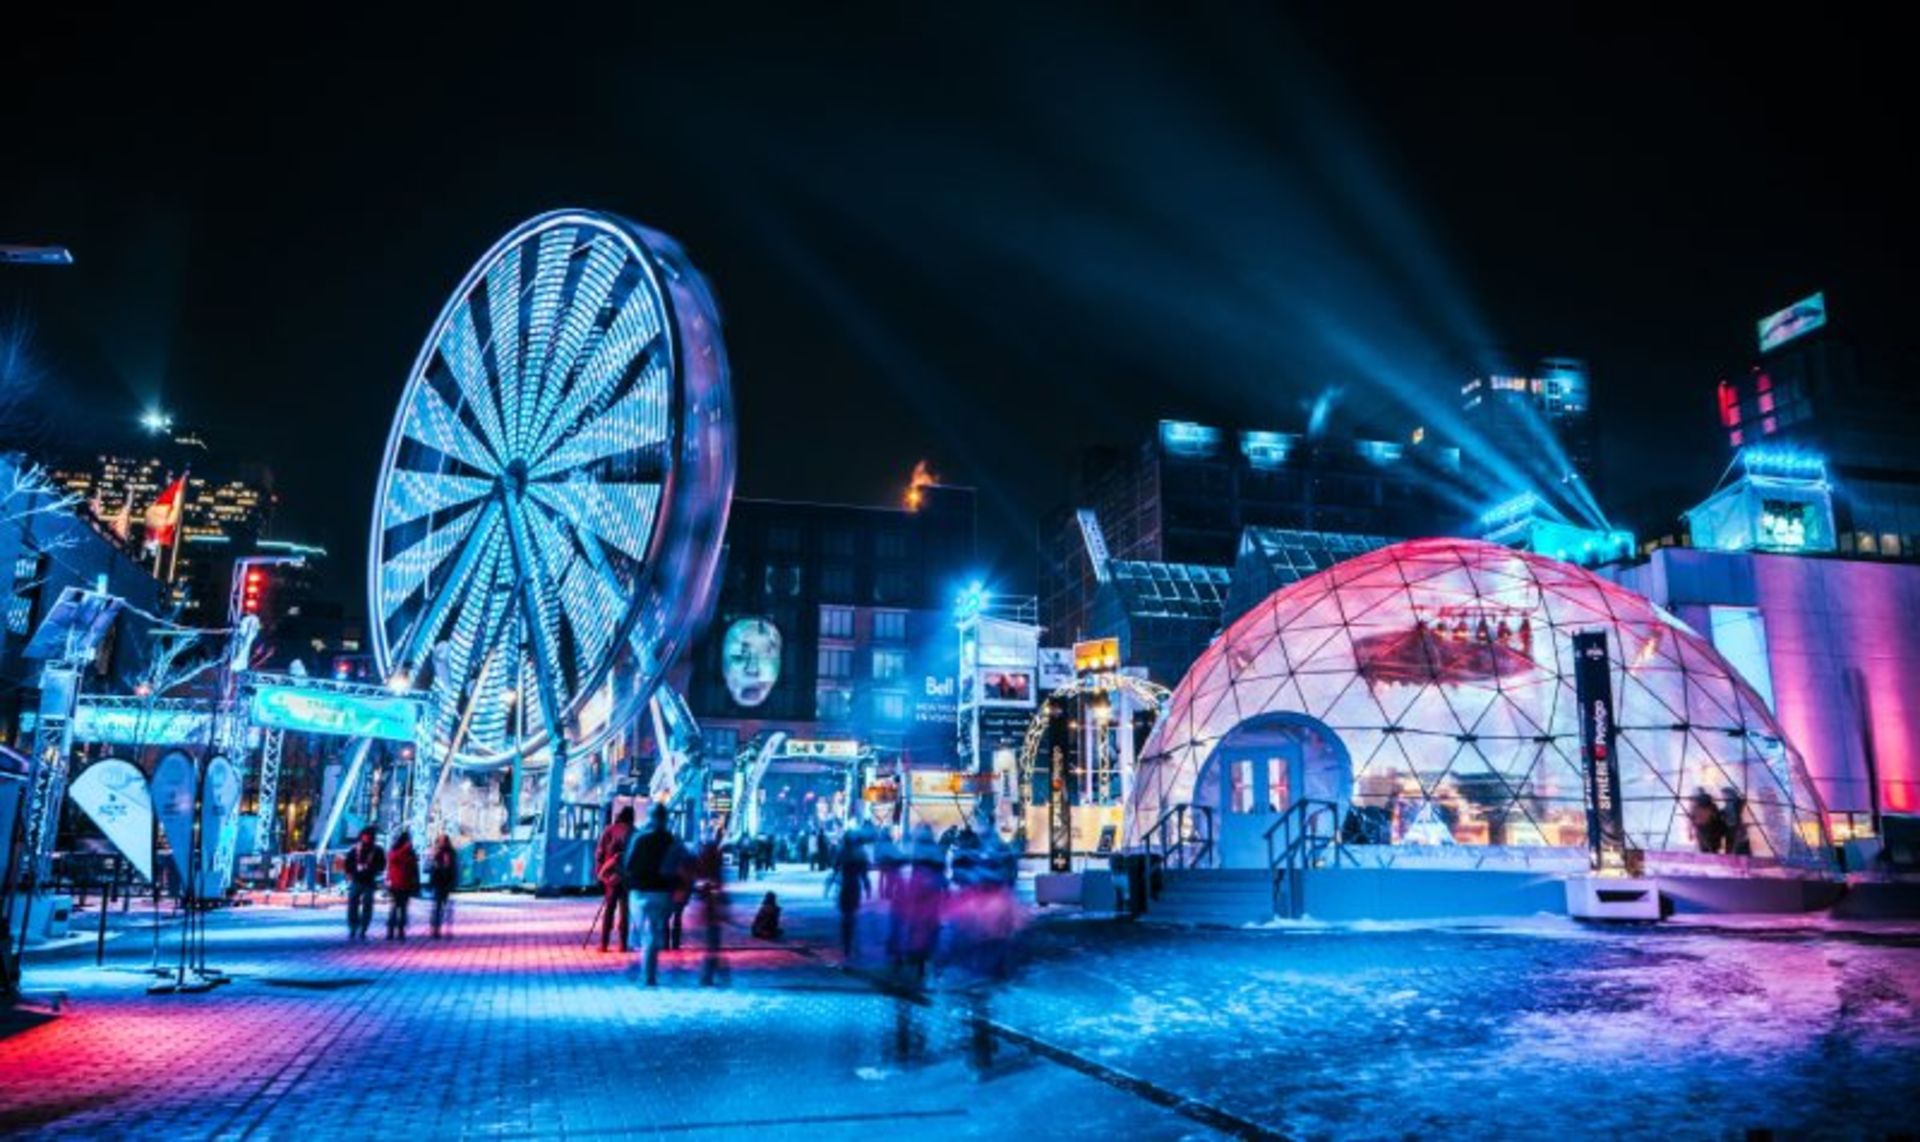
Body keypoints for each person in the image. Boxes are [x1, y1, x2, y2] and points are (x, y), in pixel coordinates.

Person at [624, 803, 690, 987]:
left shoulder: (639, 838)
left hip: (639, 892)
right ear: (666, 818)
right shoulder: (672, 841)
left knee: (645, 933)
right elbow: (686, 862)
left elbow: (628, 865)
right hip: (662, 892)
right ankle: (648, 974)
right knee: (653, 932)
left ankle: (646, 974)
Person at [595, 806, 636, 953]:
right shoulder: (635, 832)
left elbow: (599, 853)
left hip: (610, 877)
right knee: (625, 911)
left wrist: (601, 874)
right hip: (627, 877)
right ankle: (623, 945)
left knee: (609, 909)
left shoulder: (609, 830)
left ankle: (604, 944)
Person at [694, 838, 730, 986]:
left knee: (712, 944)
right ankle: (711, 974)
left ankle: (710, 974)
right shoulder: (714, 869)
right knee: (713, 944)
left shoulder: (703, 867)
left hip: (709, 910)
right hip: (712, 910)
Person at [342, 827, 386, 941]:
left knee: (367, 905)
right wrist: (350, 871)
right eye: (365, 836)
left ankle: (363, 928)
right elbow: (348, 863)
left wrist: (371, 868)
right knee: (353, 904)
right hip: (356, 880)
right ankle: (353, 926)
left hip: (369, 881)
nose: (366, 838)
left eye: (368, 836)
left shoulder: (377, 850)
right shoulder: (355, 849)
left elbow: (382, 865)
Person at [834, 831, 870, 958]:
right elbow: (864, 875)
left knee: (846, 916)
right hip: (854, 886)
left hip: (845, 886)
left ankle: (847, 945)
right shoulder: (860, 854)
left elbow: (835, 870)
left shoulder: (842, 853)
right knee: (852, 915)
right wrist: (867, 888)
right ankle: (851, 944)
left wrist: (829, 885)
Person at [385, 830, 421, 941]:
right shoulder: (396, 851)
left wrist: (416, 883)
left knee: (403, 908)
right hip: (395, 883)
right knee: (395, 908)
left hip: (406, 883)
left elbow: (414, 868)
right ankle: (391, 931)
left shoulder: (411, 853)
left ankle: (401, 930)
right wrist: (404, 849)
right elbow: (393, 859)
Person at [428, 834, 458, 939]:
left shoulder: (451, 853)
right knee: (437, 908)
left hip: (446, 883)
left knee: (447, 908)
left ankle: (447, 930)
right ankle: (435, 930)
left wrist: (453, 882)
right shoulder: (436, 853)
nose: (442, 843)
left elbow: (453, 868)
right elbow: (431, 869)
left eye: (444, 841)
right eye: (440, 841)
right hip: (438, 883)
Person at [1689, 787, 1726, 854]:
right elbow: (1717, 817)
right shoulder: (1712, 806)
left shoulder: (1696, 807)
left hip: (1702, 829)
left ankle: (1706, 859)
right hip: (1711, 830)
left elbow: (1692, 819)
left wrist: (1690, 831)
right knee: (1712, 848)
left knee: (1704, 848)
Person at [1720, 786, 1751, 856]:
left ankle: (1734, 858)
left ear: (1729, 794)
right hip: (1732, 827)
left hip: (1734, 827)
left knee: (1735, 846)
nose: (1723, 797)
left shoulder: (1734, 802)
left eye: (1724, 795)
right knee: (1734, 845)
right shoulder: (1731, 802)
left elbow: (1733, 814)